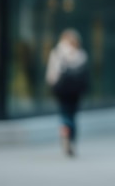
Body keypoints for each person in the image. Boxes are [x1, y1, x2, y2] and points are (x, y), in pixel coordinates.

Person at [46, 28, 89, 157]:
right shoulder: (80, 54)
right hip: (75, 92)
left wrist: (52, 85)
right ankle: (72, 140)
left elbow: (51, 74)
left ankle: (65, 136)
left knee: (64, 115)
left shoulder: (57, 53)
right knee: (72, 116)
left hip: (62, 91)